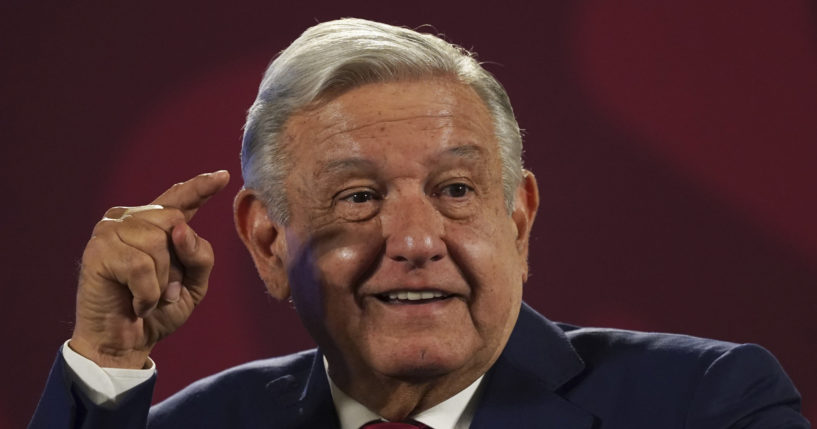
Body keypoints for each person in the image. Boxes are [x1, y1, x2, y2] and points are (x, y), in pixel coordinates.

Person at [30, 18, 808, 428]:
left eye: (457, 189)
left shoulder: (703, 404)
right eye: (358, 197)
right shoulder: (193, 427)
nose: (414, 240)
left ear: (518, 219)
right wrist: (106, 355)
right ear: (268, 241)